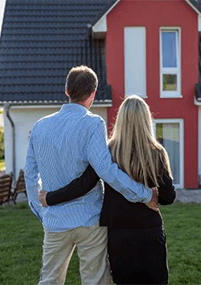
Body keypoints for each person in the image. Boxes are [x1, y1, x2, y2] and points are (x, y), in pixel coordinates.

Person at [25, 66, 157, 285]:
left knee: (49, 281)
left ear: (67, 90)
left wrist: (42, 212)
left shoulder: (40, 127)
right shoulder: (93, 123)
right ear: (93, 93)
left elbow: (30, 176)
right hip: (90, 221)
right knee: (95, 281)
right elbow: (106, 170)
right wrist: (144, 194)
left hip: (55, 221)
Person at [39, 95, 176, 284]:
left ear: (120, 120)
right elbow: (168, 197)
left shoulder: (108, 151)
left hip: (118, 233)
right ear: (146, 120)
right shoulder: (157, 153)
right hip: (148, 232)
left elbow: (83, 184)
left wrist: (50, 197)